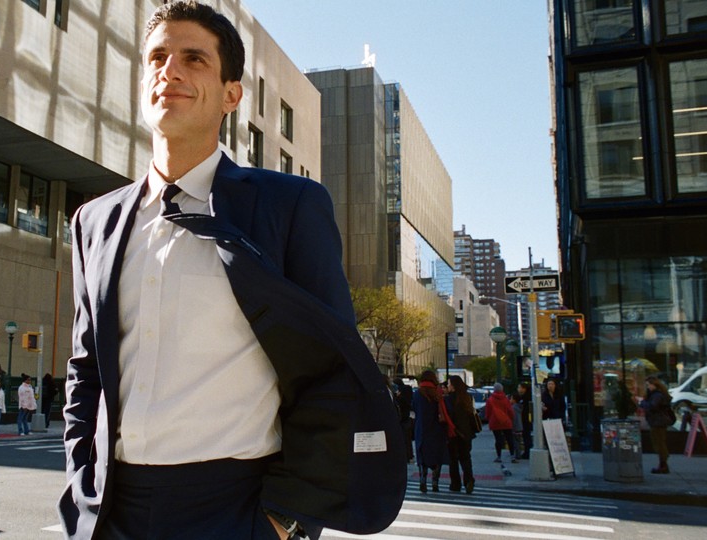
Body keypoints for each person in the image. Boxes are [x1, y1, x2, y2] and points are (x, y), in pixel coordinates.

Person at [59, 3, 405, 539]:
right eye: (156, 57)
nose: (168, 71)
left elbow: (333, 368)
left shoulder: (290, 206)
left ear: (231, 93)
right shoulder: (93, 222)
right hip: (112, 511)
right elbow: (86, 371)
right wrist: (82, 484)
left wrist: (284, 517)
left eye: (193, 58)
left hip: (236, 508)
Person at [412, 370, 451, 493]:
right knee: (436, 456)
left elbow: (414, 410)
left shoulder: (417, 394)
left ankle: (423, 480)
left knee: (422, 455)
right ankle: (435, 482)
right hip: (436, 429)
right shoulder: (438, 394)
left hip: (421, 428)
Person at [445, 375, 477, 494]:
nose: (447, 386)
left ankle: (455, 484)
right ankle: (469, 479)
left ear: (453, 386)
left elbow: (448, 416)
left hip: (453, 433)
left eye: (449, 384)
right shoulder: (467, 398)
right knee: (465, 458)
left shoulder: (448, 399)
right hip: (466, 433)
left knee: (453, 460)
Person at [635, 376, 673, 474]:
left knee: (659, 443)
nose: (648, 387)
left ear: (654, 385)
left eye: (648, 385)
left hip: (658, 422)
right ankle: (663, 464)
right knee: (659, 443)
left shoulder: (657, 395)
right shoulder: (658, 395)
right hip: (658, 421)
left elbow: (652, 407)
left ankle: (663, 465)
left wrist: (641, 402)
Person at [486, 383, 517, 463]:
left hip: (495, 421)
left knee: (498, 439)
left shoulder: (490, 400)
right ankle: (512, 456)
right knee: (509, 439)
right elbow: (510, 411)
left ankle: (499, 456)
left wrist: (489, 419)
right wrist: (511, 418)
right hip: (506, 421)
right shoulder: (506, 399)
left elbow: (488, 412)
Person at [393, 377, 415, 463]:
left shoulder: (398, 395)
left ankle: (405, 456)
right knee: (407, 439)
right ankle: (409, 455)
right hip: (407, 417)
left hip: (401, 418)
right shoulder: (408, 391)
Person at [517, 382, 533, 459]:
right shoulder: (524, 397)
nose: (518, 389)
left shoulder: (525, 398)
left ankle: (527, 452)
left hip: (526, 419)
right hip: (525, 419)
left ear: (524, 389)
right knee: (526, 436)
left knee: (526, 436)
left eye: (519, 387)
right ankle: (527, 451)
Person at [511, 393, 524, 458]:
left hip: (515, 427)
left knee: (515, 442)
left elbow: (514, 418)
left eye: (511, 398)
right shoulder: (520, 407)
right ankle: (518, 454)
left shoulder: (513, 408)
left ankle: (517, 454)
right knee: (518, 441)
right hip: (520, 426)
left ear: (514, 400)